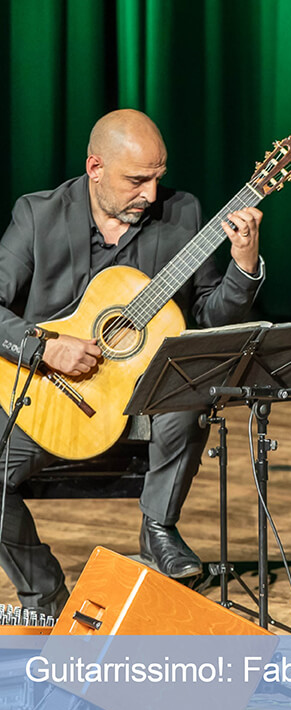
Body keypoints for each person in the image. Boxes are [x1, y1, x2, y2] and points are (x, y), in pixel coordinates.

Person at [0, 109, 265, 615]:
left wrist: (244, 263)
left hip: (143, 399)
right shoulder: (38, 214)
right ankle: (45, 595)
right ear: (95, 167)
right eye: (136, 180)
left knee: (191, 380)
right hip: (50, 395)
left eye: (157, 178)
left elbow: (208, 314)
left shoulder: (182, 214)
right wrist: (44, 347)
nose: (149, 194)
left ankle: (159, 529)